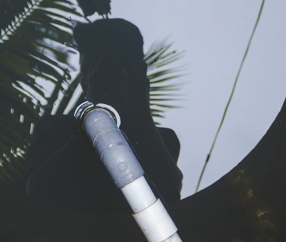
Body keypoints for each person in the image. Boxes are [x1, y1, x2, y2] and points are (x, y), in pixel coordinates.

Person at [25, 18, 183, 213]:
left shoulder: (164, 140)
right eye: (86, 70)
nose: (92, 77)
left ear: (138, 72)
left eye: (105, 66)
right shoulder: (55, 128)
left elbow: (170, 196)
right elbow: (36, 192)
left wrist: (139, 109)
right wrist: (101, 120)